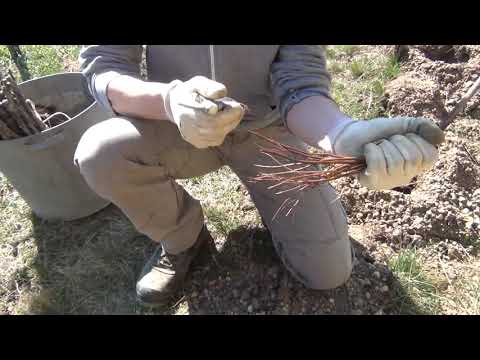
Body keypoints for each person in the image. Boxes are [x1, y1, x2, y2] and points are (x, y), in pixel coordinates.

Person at [74, 45, 445, 307]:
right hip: (177, 122)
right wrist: (169, 101)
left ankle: (284, 216)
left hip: (268, 132)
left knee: (327, 272)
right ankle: (184, 238)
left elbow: (301, 84)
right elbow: (103, 69)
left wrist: (341, 135)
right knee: (101, 154)